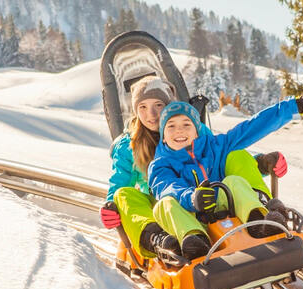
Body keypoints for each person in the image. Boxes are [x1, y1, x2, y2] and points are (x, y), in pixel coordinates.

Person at [100, 75, 291, 260]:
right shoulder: (128, 147)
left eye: (158, 105)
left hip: (209, 194)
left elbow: (218, 155)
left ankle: (262, 211)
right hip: (165, 206)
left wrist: (260, 164)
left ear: (169, 105)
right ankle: (160, 239)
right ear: (135, 110)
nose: (151, 114)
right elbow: (122, 181)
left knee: (236, 154)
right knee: (123, 196)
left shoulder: (193, 128)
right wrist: (111, 206)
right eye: (142, 107)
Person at [148, 91, 303, 260]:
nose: (179, 130)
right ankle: (194, 240)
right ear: (163, 136)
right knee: (164, 204)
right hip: (191, 215)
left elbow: (251, 127)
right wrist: (192, 197)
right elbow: (166, 187)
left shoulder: (216, 146)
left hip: (223, 206)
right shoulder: (160, 164)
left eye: (186, 124)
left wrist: (295, 106)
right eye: (171, 126)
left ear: (197, 130)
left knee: (233, 181)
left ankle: (259, 221)